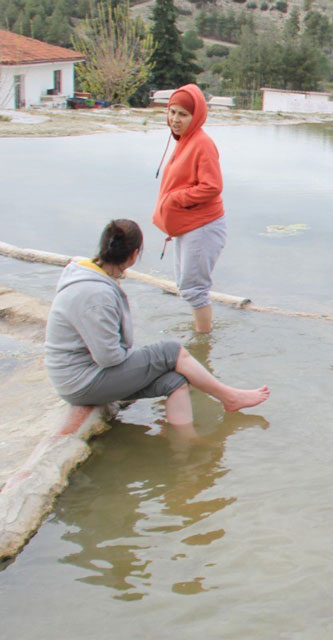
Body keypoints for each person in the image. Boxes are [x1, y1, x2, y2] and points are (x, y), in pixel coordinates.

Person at [45, 220, 270, 434]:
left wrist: (142, 361)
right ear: (134, 255)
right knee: (171, 352)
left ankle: (185, 448)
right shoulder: (96, 294)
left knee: (175, 381)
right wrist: (146, 359)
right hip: (80, 382)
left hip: (85, 376)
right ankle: (229, 397)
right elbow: (108, 358)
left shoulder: (94, 275)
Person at [153, 84, 227, 334]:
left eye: (183, 114)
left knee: (194, 288)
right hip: (189, 225)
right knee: (186, 286)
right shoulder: (184, 141)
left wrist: (175, 200)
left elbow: (212, 186)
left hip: (203, 226)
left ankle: (202, 344)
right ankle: (201, 332)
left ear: (196, 117)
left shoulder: (202, 143)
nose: (175, 119)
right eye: (172, 112)